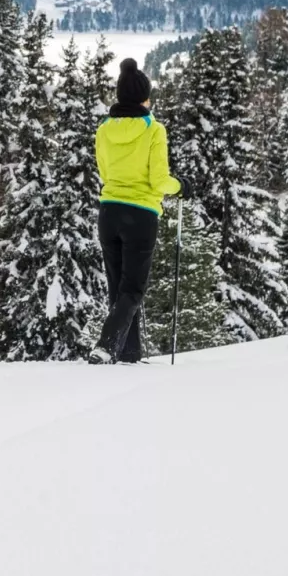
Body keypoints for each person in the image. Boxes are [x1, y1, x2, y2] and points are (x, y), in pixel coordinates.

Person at [90, 58, 181, 365]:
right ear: (144, 98)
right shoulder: (154, 130)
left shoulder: (103, 130)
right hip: (140, 214)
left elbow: (103, 171)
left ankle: (129, 355)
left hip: (109, 211)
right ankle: (105, 346)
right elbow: (158, 180)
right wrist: (179, 187)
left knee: (118, 289)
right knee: (133, 289)